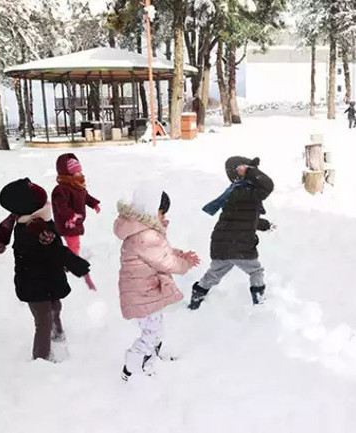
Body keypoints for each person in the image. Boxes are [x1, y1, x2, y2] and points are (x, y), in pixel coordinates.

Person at [0, 178, 91, 361]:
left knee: (55, 306)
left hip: (49, 276)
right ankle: (41, 359)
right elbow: (56, 249)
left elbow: (6, 227)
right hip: (33, 282)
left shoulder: (35, 218)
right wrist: (74, 263)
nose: (47, 203)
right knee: (43, 319)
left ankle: (57, 333)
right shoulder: (35, 228)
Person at [114, 186, 200, 381]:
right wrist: (185, 263)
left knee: (156, 331)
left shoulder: (140, 229)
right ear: (151, 210)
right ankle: (131, 370)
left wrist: (180, 254)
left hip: (144, 291)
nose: (164, 216)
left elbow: (160, 253)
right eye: (162, 212)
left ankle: (148, 363)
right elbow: (165, 261)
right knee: (151, 334)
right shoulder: (146, 236)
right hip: (142, 294)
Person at [189, 156, 275, 310]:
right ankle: (259, 302)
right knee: (255, 271)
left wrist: (265, 225)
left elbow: (243, 219)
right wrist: (250, 171)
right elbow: (268, 185)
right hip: (240, 246)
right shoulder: (248, 191)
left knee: (214, 273)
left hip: (221, 244)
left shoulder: (234, 192)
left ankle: (197, 297)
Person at [51, 153, 99, 290]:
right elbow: (61, 206)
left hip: (76, 220)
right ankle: (72, 263)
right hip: (68, 222)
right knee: (73, 243)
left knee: (73, 242)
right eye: (76, 172)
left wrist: (94, 203)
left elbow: (86, 196)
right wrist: (71, 216)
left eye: (80, 170)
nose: (79, 173)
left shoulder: (77, 185)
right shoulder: (61, 189)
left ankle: (69, 260)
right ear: (67, 174)